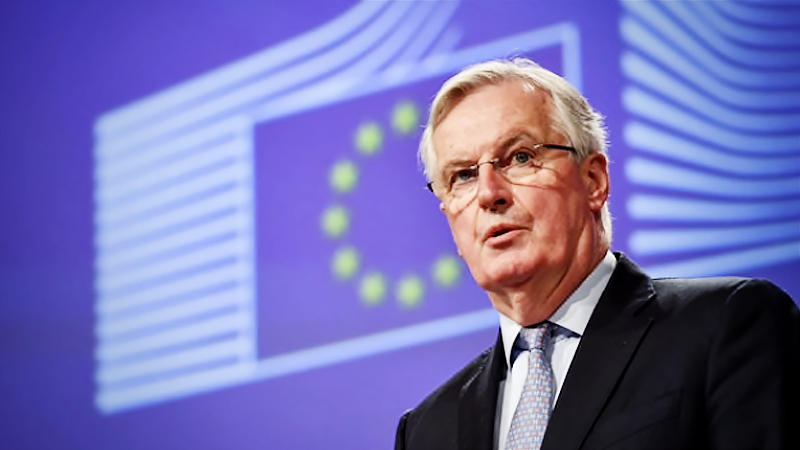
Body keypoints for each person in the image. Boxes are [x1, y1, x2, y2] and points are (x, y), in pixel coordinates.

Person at [394, 58, 800, 450]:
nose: (488, 193)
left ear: (593, 181)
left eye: (521, 157)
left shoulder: (725, 325)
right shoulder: (426, 431)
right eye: (462, 176)